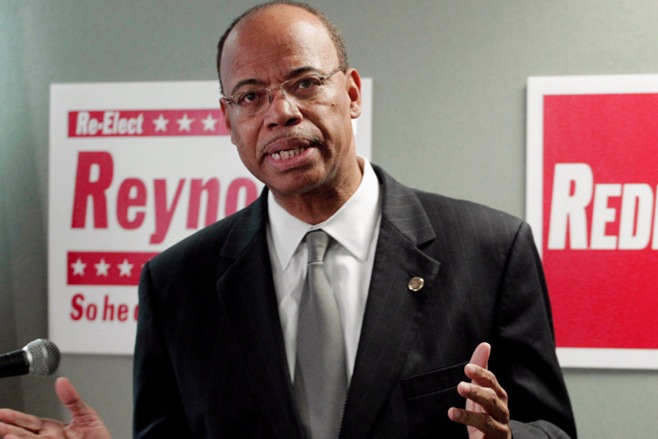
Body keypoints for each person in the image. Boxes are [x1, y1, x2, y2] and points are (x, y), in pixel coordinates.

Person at [0, 1, 577, 438]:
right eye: (250, 96)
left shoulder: (491, 250)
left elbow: (552, 431)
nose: (280, 112)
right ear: (228, 121)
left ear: (351, 93)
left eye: (304, 83)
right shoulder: (178, 283)